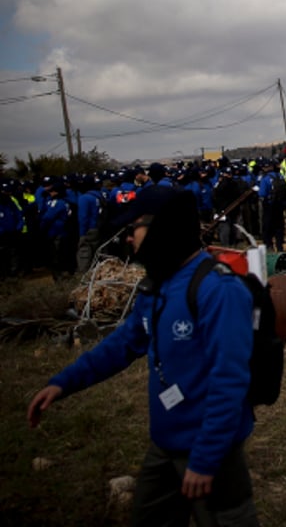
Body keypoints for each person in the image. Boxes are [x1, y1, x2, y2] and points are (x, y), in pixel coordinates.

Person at [27, 187, 259, 526]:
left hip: (213, 452)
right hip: (165, 444)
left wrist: (206, 459)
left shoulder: (218, 290)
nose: (128, 240)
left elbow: (230, 381)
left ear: (163, 227)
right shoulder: (159, 286)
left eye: (133, 228)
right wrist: (63, 383)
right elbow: (122, 344)